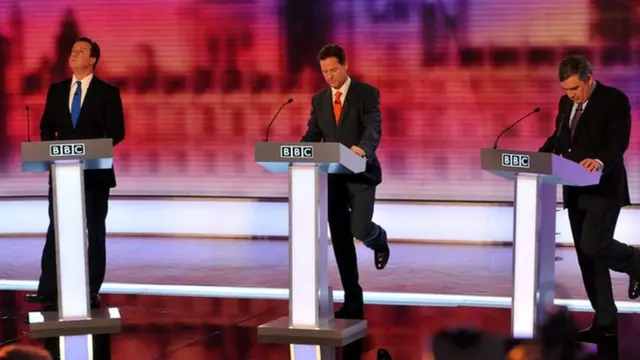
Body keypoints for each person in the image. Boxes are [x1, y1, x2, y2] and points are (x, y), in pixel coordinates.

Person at [539, 54, 640, 344]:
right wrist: (539, 154)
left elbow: (619, 141)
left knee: (594, 244)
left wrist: (599, 160)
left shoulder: (614, 100)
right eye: (566, 91)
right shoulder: (565, 103)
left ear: (589, 79)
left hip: (604, 188)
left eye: (575, 89)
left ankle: (636, 263)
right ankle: (605, 321)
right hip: (575, 189)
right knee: (588, 257)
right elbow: (560, 138)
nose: (570, 95)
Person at [24, 36, 125, 309]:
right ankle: (47, 290)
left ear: (92, 59)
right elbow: (47, 126)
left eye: (81, 51)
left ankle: (90, 289)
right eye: (72, 50)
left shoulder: (108, 92)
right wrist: (51, 146)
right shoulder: (56, 90)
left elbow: (117, 132)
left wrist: (90, 149)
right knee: (56, 229)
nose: (74, 54)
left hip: (95, 174)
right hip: (62, 172)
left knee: (95, 231)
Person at [301, 44, 390, 320]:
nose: (329, 76)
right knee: (340, 239)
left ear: (345, 65)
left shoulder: (366, 93)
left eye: (333, 70)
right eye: (325, 72)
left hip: (361, 173)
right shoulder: (319, 100)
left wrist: (363, 148)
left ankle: (378, 238)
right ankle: (353, 299)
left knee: (358, 229)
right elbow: (313, 134)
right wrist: (295, 152)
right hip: (335, 178)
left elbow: (372, 128)